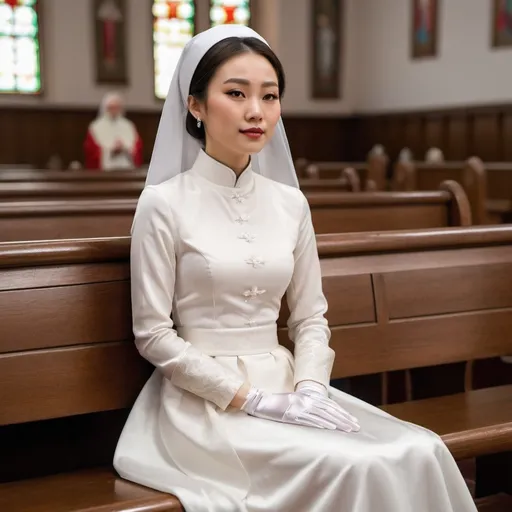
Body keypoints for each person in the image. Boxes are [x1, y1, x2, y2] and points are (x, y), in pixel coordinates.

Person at [113, 25, 477, 512]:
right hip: (202, 405)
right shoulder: (163, 204)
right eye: (235, 93)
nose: (255, 111)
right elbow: (153, 334)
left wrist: (309, 388)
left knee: (420, 448)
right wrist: (251, 399)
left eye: (269, 95)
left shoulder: (290, 204)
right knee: (358, 464)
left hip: (291, 386)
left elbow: (309, 318)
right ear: (195, 105)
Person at [83, 92, 143, 170]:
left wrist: (126, 149)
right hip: (105, 172)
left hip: (127, 169)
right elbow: (91, 151)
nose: (114, 110)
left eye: (117, 107)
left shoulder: (128, 125)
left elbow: (138, 147)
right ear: (105, 108)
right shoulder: (95, 127)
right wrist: (110, 151)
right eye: (111, 107)